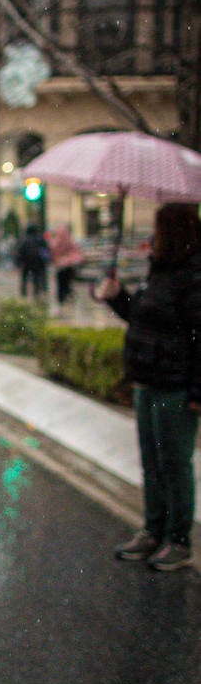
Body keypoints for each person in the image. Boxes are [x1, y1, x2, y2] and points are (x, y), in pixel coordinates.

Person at [97, 202, 201, 573]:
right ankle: (153, 531)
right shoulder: (159, 271)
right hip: (147, 382)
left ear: (175, 232)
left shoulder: (192, 276)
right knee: (151, 462)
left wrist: (196, 393)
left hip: (174, 388)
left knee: (174, 464)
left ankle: (179, 540)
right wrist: (117, 297)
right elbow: (141, 318)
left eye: (159, 228)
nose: (152, 236)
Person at [45, 224, 85, 306]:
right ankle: (65, 296)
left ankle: (63, 297)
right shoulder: (69, 241)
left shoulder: (56, 242)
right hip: (65, 267)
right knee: (65, 282)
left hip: (63, 267)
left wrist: (63, 260)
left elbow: (52, 253)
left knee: (62, 282)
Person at [15, 222, 50, 299]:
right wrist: (46, 261)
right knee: (37, 279)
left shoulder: (24, 239)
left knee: (24, 279)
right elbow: (45, 251)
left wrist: (18, 263)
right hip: (38, 263)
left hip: (26, 263)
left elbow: (19, 252)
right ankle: (36, 294)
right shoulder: (40, 239)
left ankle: (23, 295)